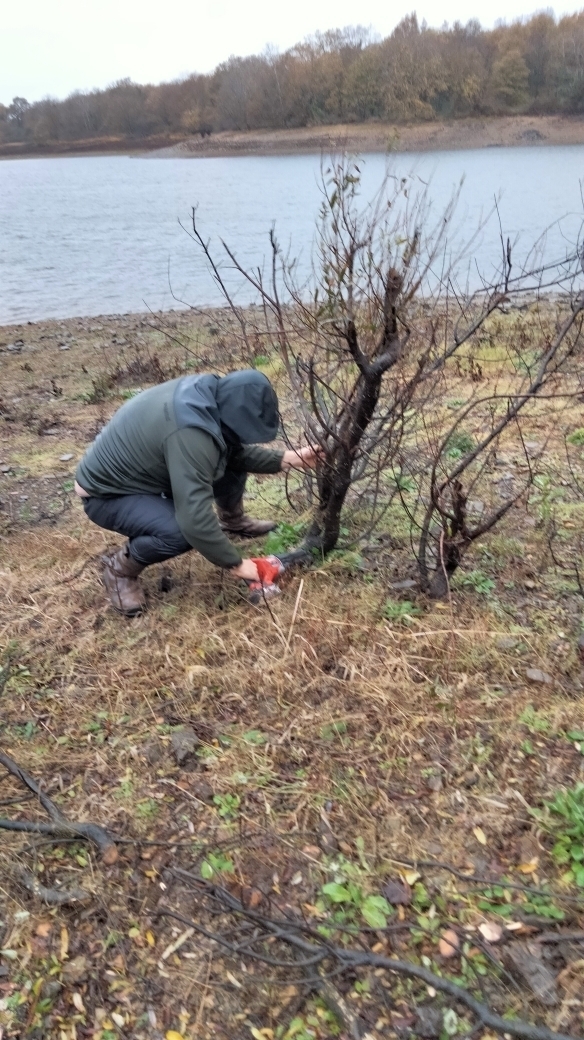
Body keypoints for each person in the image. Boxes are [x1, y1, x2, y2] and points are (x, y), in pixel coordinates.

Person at [74, 370, 319, 616]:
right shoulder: (191, 433)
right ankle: (119, 571)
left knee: (228, 456)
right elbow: (195, 521)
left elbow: (234, 452)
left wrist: (290, 458)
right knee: (180, 531)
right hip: (106, 494)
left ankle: (233, 521)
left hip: (147, 473)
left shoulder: (210, 396)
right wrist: (239, 564)